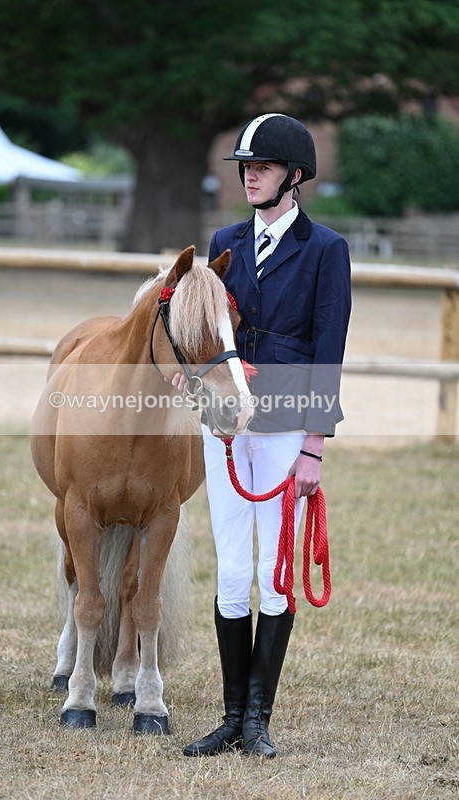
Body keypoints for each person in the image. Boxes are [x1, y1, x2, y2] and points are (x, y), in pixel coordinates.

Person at [181, 113, 352, 758]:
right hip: (224, 428)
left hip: (285, 429)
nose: (250, 176)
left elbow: (328, 354)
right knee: (231, 570)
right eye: (246, 167)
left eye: (264, 167)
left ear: (295, 175)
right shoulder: (223, 240)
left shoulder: (326, 251)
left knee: (274, 576)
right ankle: (229, 716)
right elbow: (204, 335)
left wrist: (314, 446)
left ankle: (258, 719)